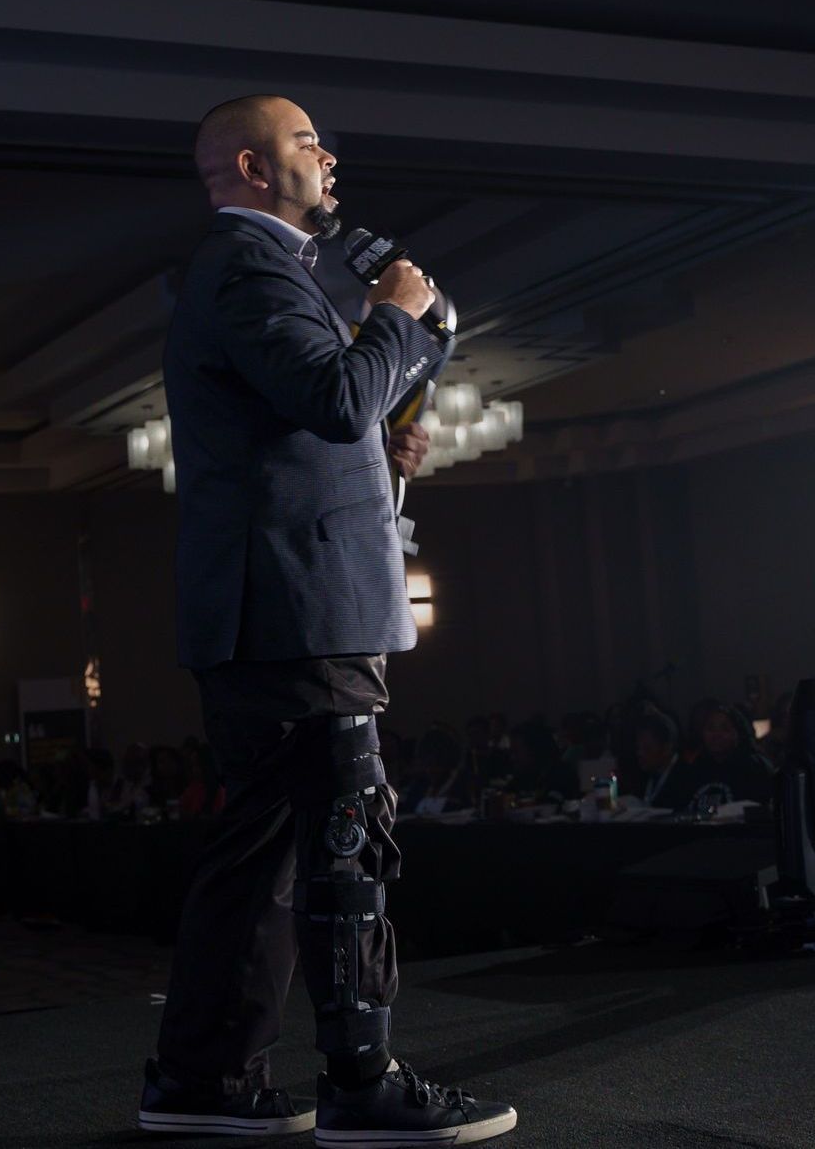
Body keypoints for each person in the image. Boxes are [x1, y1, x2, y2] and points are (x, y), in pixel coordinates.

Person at [140, 95, 514, 1142]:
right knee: (347, 835)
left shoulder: (261, 273)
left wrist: (375, 452)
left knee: (262, 854)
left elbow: (326, 417)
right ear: (255, 169)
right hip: (296, 612)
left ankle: (203, 1077)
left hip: (273, 608)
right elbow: (338, 398)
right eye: (309, 141)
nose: (330, 154)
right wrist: (393, 312)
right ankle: (361, 1080)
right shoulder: (252, 265)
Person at [687, 698, 772, 804]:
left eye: (725, 729)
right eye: (710, 728)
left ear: (738, 734)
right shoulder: (695, 769)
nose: (716, 735)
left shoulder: (754, 768)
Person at [634, 710, 704, 811]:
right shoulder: (642, 774)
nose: (639, 753)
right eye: (637, 748)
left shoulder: (687, 779)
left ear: (667, 748)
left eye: (647, 748)